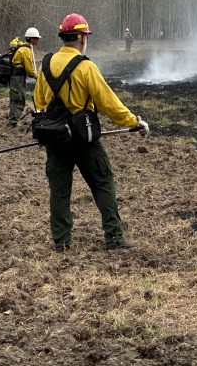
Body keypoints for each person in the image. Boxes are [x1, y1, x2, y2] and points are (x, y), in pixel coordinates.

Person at [33, 13, 150, 252]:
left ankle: (62, 242)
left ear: (63, 37)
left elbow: (39, 103)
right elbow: (108, 102)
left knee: (59, 191)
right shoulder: (86, 67)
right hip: (84, 139)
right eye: (85, 36)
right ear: (81, 38)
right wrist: (133, 121)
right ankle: (114, 238)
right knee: (103, 183)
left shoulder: (45, 64)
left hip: (56, 138)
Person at [7, 27, 41, 126]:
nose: (38, 40)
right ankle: (12, 123)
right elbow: (30, 71)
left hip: (16, 77)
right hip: (18, 78)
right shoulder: (26, 51)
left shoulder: (22, 47)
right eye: (36, 38)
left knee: (16, 98)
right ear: (32, 38)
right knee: (18, 99)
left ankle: (12, 121)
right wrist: (38, 77)